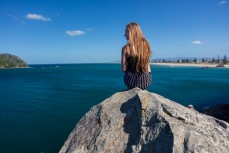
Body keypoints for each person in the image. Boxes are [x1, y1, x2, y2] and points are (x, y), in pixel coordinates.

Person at [121, 22, 152, 90]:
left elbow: (124, 69)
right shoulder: (146, 46)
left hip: (130, 82)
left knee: (127, 73)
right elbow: (147, 67)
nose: (124, 35)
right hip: (145, 81)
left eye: (126, 32)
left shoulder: (125, 48)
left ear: (132, 33)